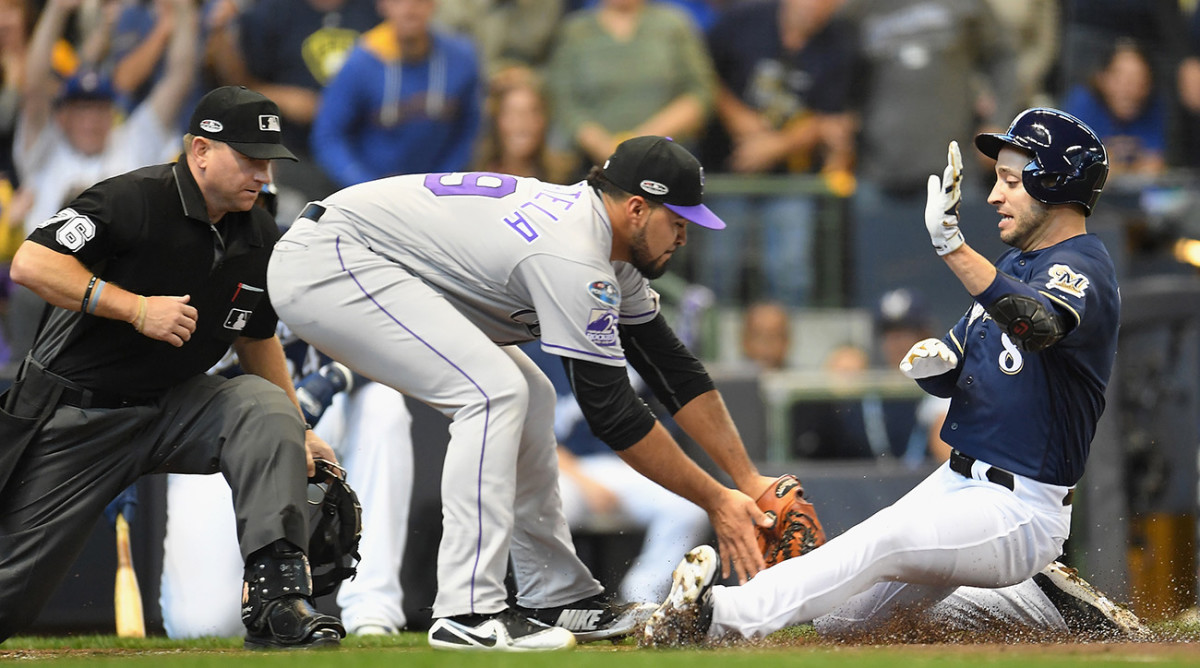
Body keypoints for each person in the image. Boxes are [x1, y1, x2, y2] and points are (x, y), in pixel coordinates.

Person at [266, 135, 777, 651]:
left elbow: (671, 368)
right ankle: (467, 609)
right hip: (331, 258)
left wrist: (748, 479)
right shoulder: (575, 255)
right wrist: (716, 500)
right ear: (638, 208)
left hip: (374, 256)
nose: (686, 235)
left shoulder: (608, 245)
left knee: (530, 392)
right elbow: (614, 414)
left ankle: (556, 595)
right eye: (679, 219)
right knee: (494, 392)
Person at [642, 107, 1121, 645]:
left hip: (1022, 505)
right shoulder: (1012, 266)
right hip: (960, 481)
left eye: (1010, 181)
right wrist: (941, 364)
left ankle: (715, 618)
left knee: (888, 539)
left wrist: (954, 248)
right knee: (842, 623)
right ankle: (1041, 599)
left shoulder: (1082, 264)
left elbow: (1038, 325)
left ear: (1053, 182)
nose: (993, 196)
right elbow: (959, 367)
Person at [0, 85, 345, 649]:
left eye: (268, 160)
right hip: (80, 414)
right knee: (10, 595)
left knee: (264, 410)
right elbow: (31, 263)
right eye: (248, 157)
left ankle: (279, 600)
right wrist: (134, 308)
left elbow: (257, 339)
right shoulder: (131, 198)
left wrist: (301, 431)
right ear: (200, 150)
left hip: (176, 405)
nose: (261, 173)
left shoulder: (257, 232)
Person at [522, 342, 711, 603]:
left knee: (689, 508)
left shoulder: (630, 345)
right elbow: (526, 435)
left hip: (628, 465)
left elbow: (661, 423)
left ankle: (641, 600)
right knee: (539, 507)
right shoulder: (533, 353)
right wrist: (586, 483)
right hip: (561, 467)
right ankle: (558, 601)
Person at [696, 0, 856, 306]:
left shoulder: (840, 42)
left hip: (793, 177)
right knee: (717, 266)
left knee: (789, 269)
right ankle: (706, 348)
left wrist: (774, 146)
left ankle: (788, 347)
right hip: (728, 168)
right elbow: (701, 74)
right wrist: (736, 117)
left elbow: (834, 120)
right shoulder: (742, 21)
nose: (815, 7)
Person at [310, 0, 484, 187]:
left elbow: (470, 128)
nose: (410, 9)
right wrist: (364, 184)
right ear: (382, 5)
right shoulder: (362, 61)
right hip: (371, 189)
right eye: (399, 1)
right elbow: (328, 136)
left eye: (420, 2)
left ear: (434, 4)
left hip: (437, 188)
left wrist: (443, 180)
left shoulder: (462, 57)